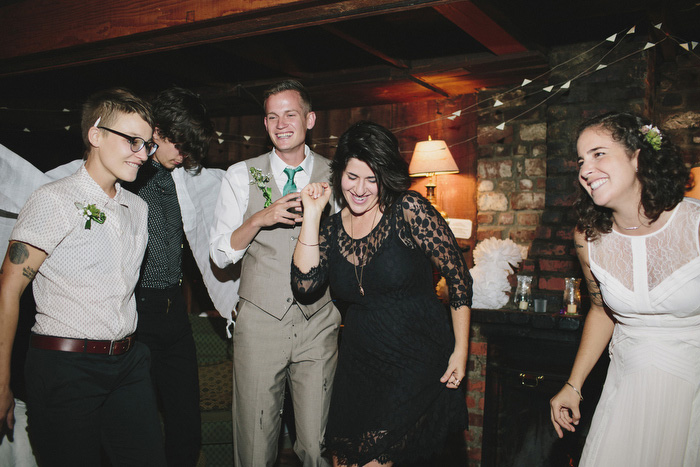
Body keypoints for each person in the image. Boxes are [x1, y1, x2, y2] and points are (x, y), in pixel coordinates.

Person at [0, 88, 167, 466]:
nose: (143, 154)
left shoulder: (136, 208)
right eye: (133, 141)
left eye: (147, 146)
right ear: (96, 135)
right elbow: (8, 290)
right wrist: (1, 381)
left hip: (128, 363)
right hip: (64, 367)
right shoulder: (53, 199)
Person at [291, 121, 472, 466]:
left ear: (385, 178)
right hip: (359, 363)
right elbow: (304, 285)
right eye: (352, 177)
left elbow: (458, 277)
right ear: (339, 175)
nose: (360, 189)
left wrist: (461, 351)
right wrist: (311, 218)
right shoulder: (330, 227)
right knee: (342, 461)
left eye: (371, 179)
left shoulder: (408, 210)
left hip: (414, 358)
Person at [549, 111, 700, 466]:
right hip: (627, 391)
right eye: (581, 160)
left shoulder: (693, 225)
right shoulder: (588, 238)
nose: (586, 169)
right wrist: (573, 385)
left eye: (599, 153)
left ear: (638, 157)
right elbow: (602, 311)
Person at [209, 79, 341, 467]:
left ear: (309, 119)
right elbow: (220, 255)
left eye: (290, 114)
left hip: (319, 321)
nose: (281, 123)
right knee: (254, 441)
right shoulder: (238, 174)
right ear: (265, 124)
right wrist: (260, 219)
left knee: (317, 445)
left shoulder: (337, 176)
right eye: (272, 116)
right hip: (260, 322)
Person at [125, 86, 215, 466]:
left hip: (174, 311)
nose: (185, 155)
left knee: (186, 426)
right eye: (179, 145)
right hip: (136, 312)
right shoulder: (128, 174)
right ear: (157, 131)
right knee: (138, 429)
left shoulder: (184, 179)